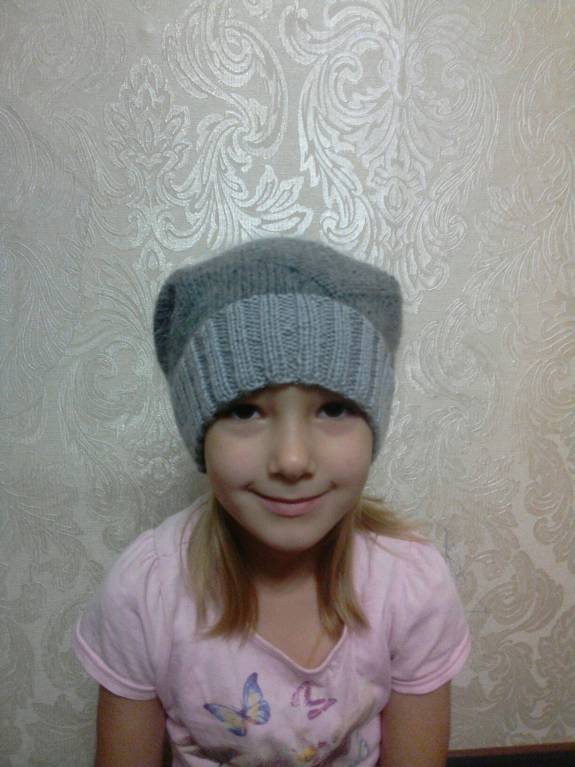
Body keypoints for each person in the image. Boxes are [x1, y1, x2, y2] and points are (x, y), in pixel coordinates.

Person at [73, 237, 470, 767]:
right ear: (198, 432)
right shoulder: (144, 592)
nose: (291, 460)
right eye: (245, 411)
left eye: (333, 409)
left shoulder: (411, 584)